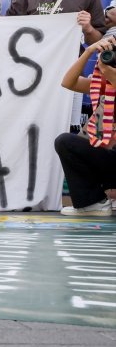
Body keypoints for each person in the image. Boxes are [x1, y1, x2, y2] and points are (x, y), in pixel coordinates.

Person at [55, 35, 116, 216]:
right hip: (110, 160)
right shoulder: (106, 85)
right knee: (66, 142)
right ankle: (93, 203)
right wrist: (89, 51)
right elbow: (68, 82)